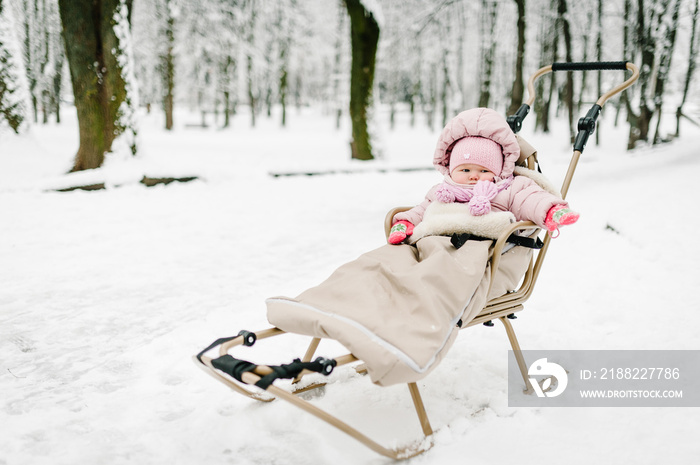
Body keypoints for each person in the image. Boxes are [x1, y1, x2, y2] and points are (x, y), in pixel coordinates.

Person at [388, 108, 579, 245]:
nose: (474, 177)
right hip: (434, 242)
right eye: (465, 170)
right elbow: (421, 211)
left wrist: (552, 211)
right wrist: (405, 222)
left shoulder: (509, 188)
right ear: (450, 169)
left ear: (498, 171)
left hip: (478, 249)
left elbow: (532, 199)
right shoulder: (442, 191)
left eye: (484, 171)